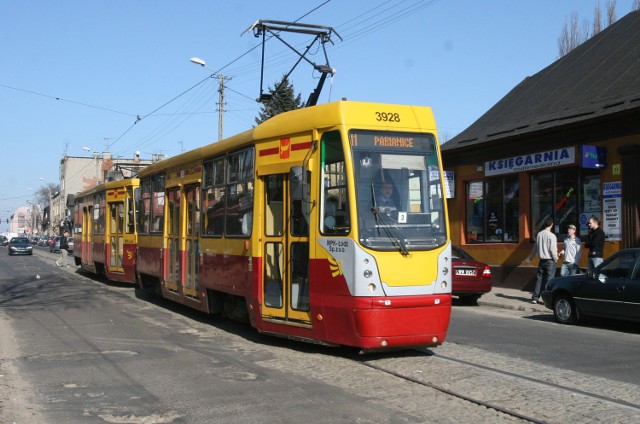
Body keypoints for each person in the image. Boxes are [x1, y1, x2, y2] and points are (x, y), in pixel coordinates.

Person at [526, 218, 558, 303]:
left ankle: (535, 298)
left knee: (539, 279)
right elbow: (552, 250)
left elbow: (535, 248)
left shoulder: (539, 234)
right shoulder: (552, 236)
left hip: (541, 261)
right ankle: (547, 299)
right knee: (549, 280)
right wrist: (556, 259)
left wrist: (530, 257)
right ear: (551, 225)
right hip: (550, 261)